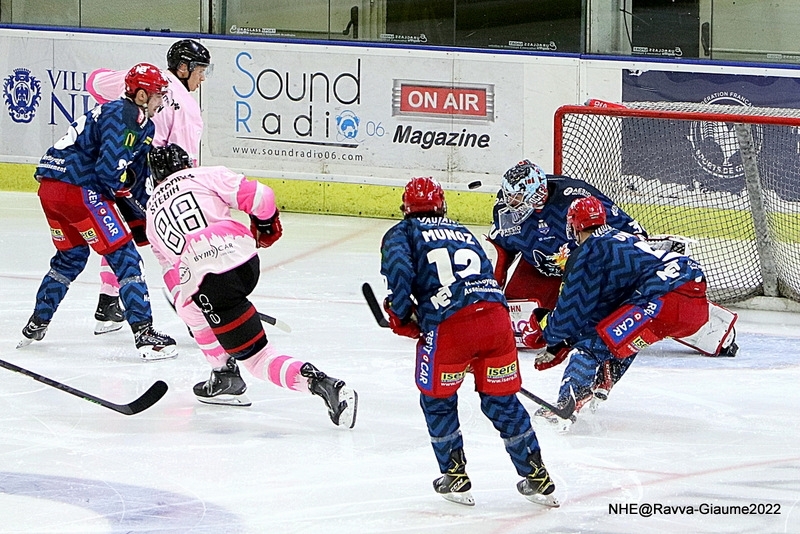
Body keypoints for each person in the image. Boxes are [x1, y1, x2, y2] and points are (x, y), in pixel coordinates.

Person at [144, 144, 357, 428]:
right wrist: (266, 226)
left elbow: (176, 282)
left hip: (212, 282)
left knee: (256, 359)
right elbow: (261, 195)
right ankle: (224, 372)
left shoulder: (150, 215)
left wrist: (200, 308)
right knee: (214, 306)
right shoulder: (203, 175)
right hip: (244, 260)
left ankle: (315, 383)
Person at [488, 160, 737, 402]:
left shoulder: (575, 198)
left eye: (518, 198)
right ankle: (603, 368)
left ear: (538, 193)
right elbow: (499, 249)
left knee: (611, 314)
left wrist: (559, 340)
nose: (511, 204)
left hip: (591, 269)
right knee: (527, 323)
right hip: (545, 270)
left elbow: (627, 230)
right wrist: (489, 292)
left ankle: (714, 331)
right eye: (509, 197)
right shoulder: (505, 210)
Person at [380, 176, 558, 507]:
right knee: (501, 401)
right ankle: (537, 476)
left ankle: (455, 475)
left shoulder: (401, 234)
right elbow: (487, 273)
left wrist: (401, 316)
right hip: (496, 320)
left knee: (438, 400)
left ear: (405, 208)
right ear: (442, 205)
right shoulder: (462, 231)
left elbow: (401, 277)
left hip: (450, 329)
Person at [17, 63, 177, 361]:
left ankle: (37, 322)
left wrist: (143, 215)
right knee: (126, 258)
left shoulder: (139, 122)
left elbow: (136, 177)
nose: (161, 101)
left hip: (51, 189)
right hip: (79, 189)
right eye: (158, 95)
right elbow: (108, 173)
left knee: (70, 258)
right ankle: (145, 335)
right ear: (142, 95)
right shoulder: (124, 114)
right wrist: (126, 195)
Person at [524, 196, 713, 431]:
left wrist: (548, 333)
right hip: (691, 292)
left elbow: (569, 316)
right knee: (618, 335)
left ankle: (565, 405)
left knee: (591, 346)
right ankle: (604, 380)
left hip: (662, 297)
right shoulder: (620, 237)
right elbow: (603, 311)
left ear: (574, 225)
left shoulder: (589, 251)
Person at [86, 39, 211, 335]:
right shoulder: (188, 109)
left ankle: (108, 303)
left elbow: (94, 82)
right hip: (141, 178)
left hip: (109, 167)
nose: (203, 77)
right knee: (167, 248)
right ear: (183, 68)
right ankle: (195, 318)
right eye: (200, 70)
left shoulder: (141, 77)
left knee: (119, 236)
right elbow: (180, 166)